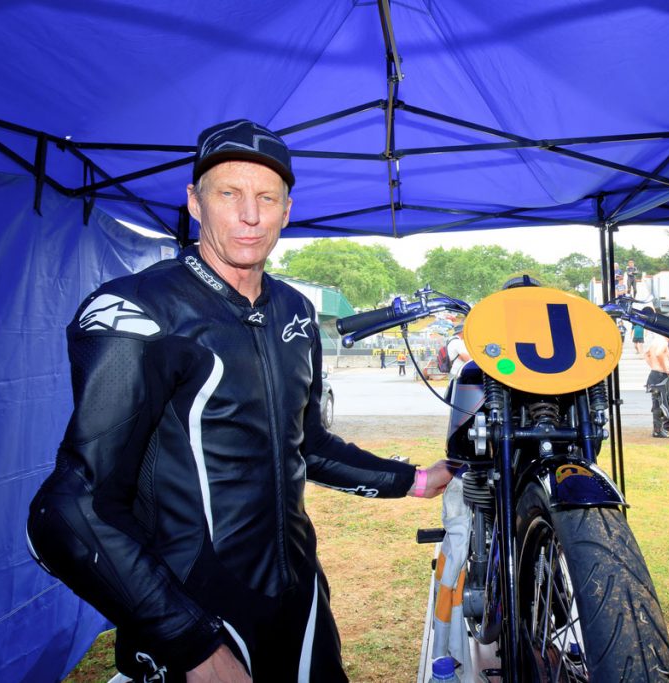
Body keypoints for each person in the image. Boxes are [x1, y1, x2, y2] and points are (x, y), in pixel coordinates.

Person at [25, 119, 453, 683]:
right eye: (229, 194)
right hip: (195, 612)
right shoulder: (138, 311)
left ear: (287, 210)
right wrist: (189, 644)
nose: (250, 215)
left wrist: (415, 481)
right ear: (195, 203)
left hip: (299, 600)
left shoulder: (297, 311)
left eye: (266, 198)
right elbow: (70, 507)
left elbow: (309, 444)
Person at [643, 330, 669, 438]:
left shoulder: (655, 341)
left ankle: (658, 429)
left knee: (658, 404)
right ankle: (657, 431)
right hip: (660, 375)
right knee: (660, 404)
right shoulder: (663, 342)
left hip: (656, 374)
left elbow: (646, 354)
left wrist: (652, 365)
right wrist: (665, 369)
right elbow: (658, 353)